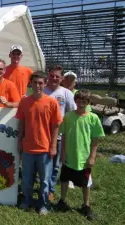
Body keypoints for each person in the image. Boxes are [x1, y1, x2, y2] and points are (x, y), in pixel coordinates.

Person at [16, 71, 62, 215]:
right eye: (35, 82)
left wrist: (53, 145)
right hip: (28, 148)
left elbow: (56, 125)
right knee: (27, 179)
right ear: (31, 83)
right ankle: (26, 200)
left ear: (45, 84)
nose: (37, 86)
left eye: (41, 83)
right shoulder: (24, 102)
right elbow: (21, 123)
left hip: (45, 149)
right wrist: (19, 141)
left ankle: (43, 204)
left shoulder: (52, 102)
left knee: (45, 181)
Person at [57, 89, 105, 221]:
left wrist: (92, 156)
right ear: (75, 101)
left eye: (84, 101)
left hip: (84, 157)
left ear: (88, 102)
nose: (81, 104)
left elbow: (95, 139)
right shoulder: (68, 116)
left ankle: (86, 205)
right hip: (69, 155)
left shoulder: (93, 118)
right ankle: (62, 201)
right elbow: (64, 135)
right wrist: (63, 153)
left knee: (85, 183)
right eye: (78, 101)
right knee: (64, 179)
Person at [43, 65, 76, 201]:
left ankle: (50, 189)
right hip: (43, 134)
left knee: (56, 165)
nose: (54, 78)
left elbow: (71, 112)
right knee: (44, 164)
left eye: (57, 76)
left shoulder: (66, 93)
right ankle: (42, 187)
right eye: (52, 76)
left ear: (62, 78)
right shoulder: (42, 91)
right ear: (48, 76)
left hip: (59, 136)